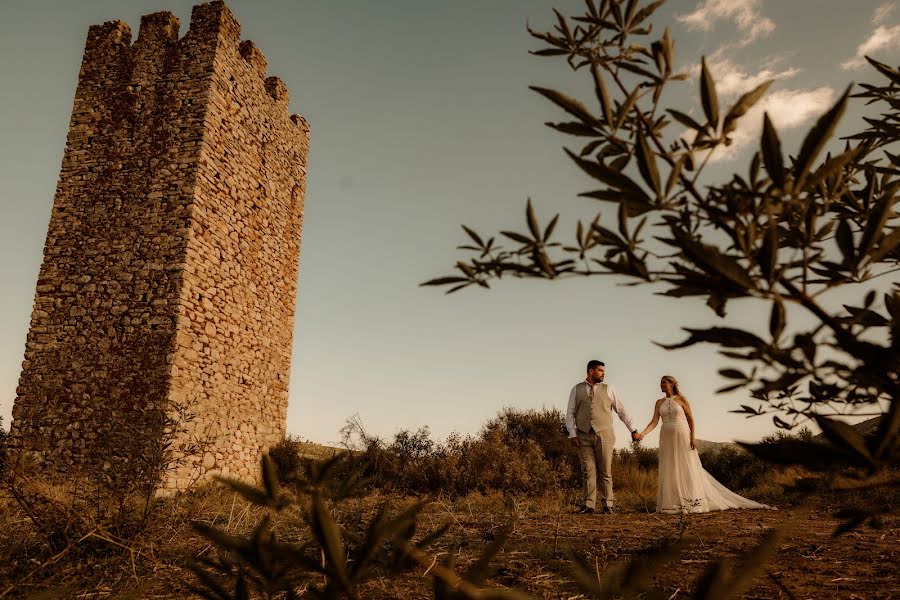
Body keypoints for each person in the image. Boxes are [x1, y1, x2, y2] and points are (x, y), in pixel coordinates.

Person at [635, 375, 773, 513]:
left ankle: (691, 501)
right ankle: (672, 503)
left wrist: (692, 437)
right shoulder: (659, 402)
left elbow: (691, 420)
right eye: (660, 383)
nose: (661, 385)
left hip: (682, 435)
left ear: (671, 384)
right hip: (666, 436)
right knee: (669, 466)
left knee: (686, 466)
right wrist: (643, 434)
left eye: (664, 382)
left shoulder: (682, 400)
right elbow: (654, 421)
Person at [565, 360, 640, 514]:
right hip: (583, 435)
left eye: (603, 371)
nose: (603, 374)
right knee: (588, 470)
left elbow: (621, 411)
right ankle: (588, 505)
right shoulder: (576, 389)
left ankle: (608, 505)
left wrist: (633, 429)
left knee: (605, 471)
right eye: (600, 370)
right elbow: (570, 413)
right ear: (591, 371)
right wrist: (572, 434)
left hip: (605, 434)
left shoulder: (609, 389)